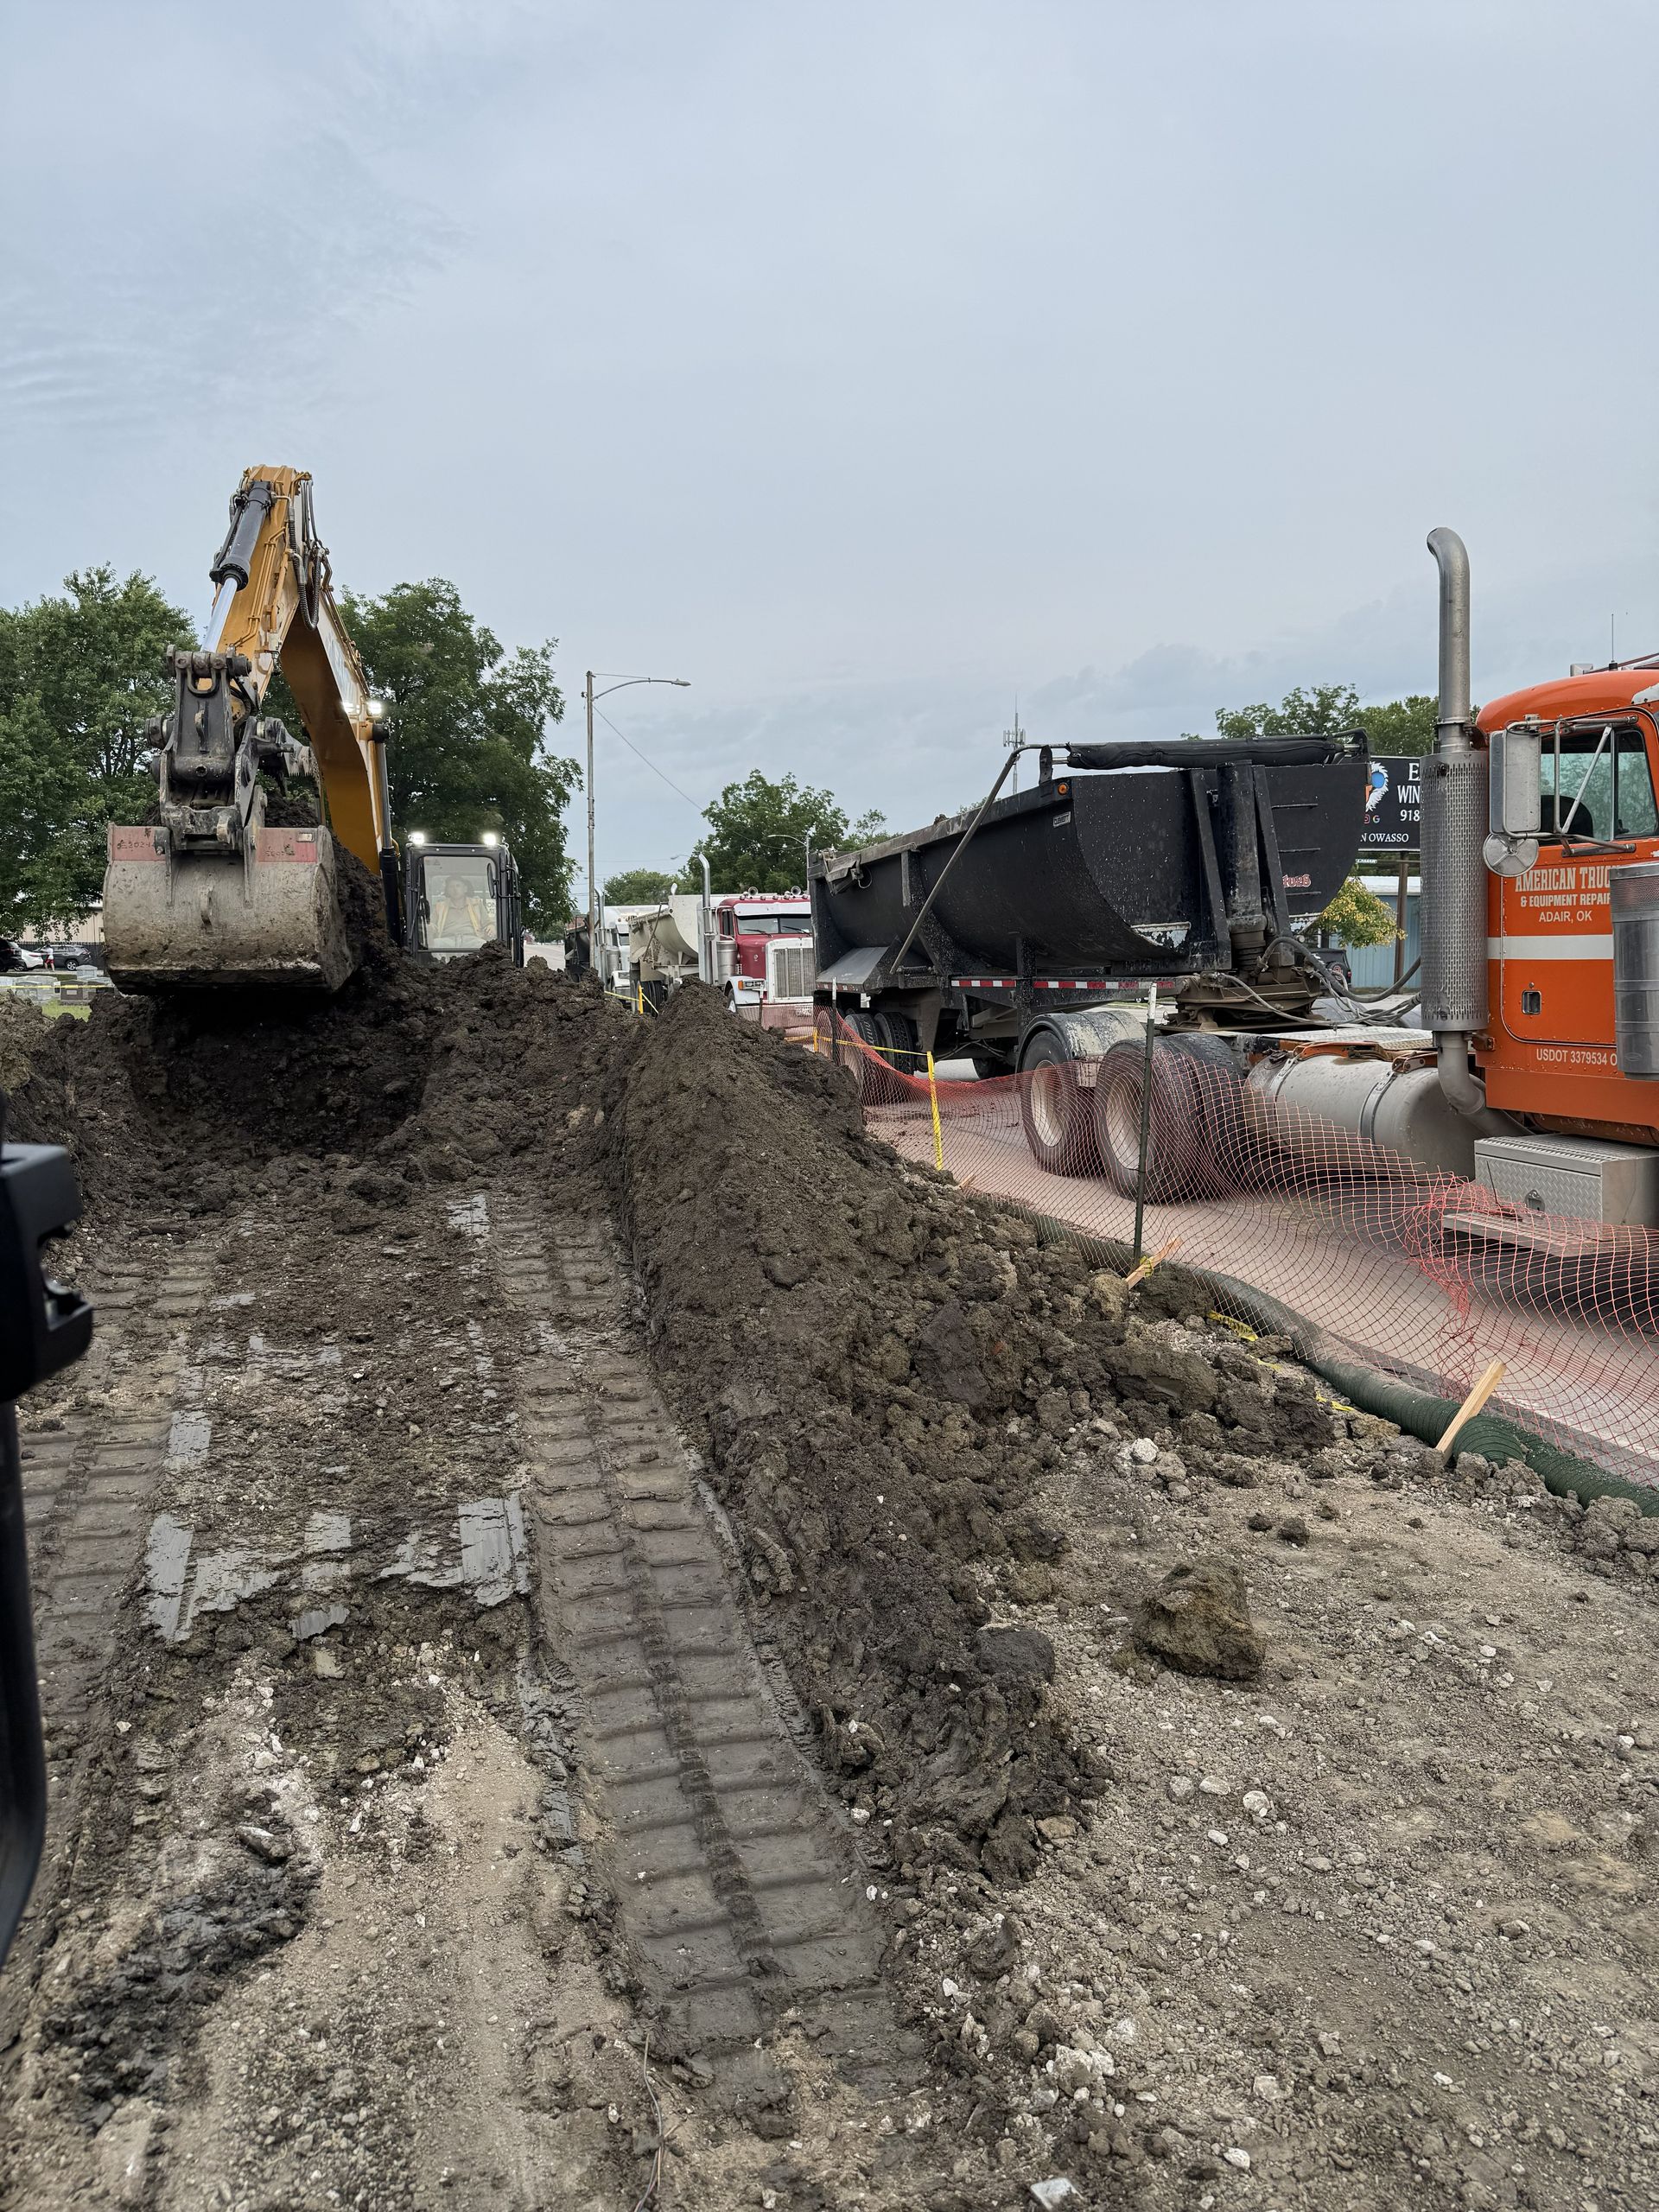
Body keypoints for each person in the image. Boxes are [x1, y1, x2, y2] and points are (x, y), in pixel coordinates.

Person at [429, 874, 491, 948]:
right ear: (447, 890)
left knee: (484, 945)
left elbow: (488, 923)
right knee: (435, 944)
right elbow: (432, 924)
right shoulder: (440, 906)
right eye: (451, 887)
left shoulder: (477, 904)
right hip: (447, 940)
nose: (455, 889)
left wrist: (491, 926)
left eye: (458, 886)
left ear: (465, 889)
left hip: (472, 939)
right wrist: (429, 927)